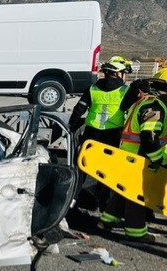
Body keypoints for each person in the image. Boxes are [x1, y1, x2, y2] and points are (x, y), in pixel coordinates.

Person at [97, 71, 167, 243]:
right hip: (139, 158)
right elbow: (149, 136)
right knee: (138, 195)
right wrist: (159, 159)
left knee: (124, 191)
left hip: (128, 155)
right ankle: (136, 232)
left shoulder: (146, 102)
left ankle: (106, 221)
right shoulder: (155, 107)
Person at [69, 58, 134, 208]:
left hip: (92, 134)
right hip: (113, 135)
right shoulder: (125, 91)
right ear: (118, 74)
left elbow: (79, 109)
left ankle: (73, 198)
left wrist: (71, 126)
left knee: (83, 167)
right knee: (108, 170)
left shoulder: (92, 88)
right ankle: (102, 202)